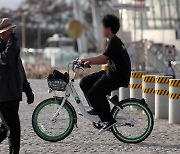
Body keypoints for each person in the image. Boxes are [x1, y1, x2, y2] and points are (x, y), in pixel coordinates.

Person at [78, 14, 131, 132]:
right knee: (84, 82)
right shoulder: (111, 41)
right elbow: (105, 58)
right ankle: (97, 109)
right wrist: (88, 62)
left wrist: (85, 60)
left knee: (93, 94)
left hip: (117, 76)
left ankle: (108, 119)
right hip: (111, 72)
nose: (100, 30)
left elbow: (104, 58)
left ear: (108, 28)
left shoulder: (114, 42)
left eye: (102, 27)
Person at [0, 18, 34, 154]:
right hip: (3, 96)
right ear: (2, 34)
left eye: (12, 31)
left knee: (5, 128)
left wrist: (27, 89)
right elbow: (5, 59)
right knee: (14, 128)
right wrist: (12, 44)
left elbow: (20, 70)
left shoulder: (13, 47)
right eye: (9, 32)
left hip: (13, 94)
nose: (12, 34)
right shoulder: (10, 47)